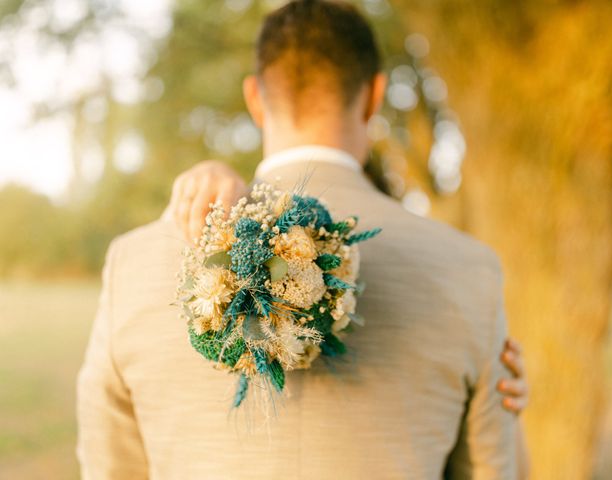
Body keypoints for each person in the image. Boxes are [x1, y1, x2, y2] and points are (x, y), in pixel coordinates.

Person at [77, 1, 529, 478]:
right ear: (375, 96)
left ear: (255, 99)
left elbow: (107, 467)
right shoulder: (469, 270)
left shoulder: (132, 264)